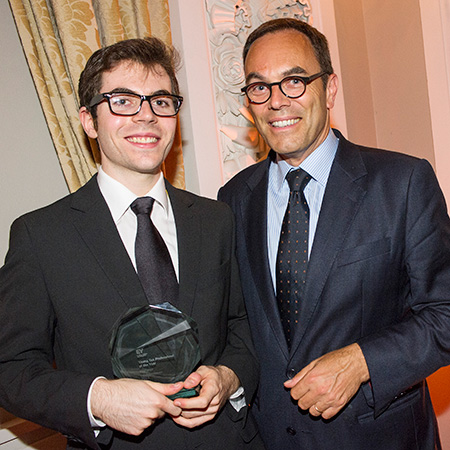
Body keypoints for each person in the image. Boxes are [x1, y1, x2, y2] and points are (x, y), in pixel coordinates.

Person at [0, 37, 264, 450]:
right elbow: (11, 368)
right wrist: (98, 399)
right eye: (123, 101)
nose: (147, 116)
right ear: (89, 121)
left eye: (161, 101)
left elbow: (243, 326)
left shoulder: (216, 219)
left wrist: (228, 377)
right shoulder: (40, 236)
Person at [218, 18, 450, 449]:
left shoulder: (402, 182)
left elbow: (445, 314)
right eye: (259, 87)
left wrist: (362, 362)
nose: (276, 101)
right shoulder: (233, 198)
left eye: (294, 81)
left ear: (329, 89)